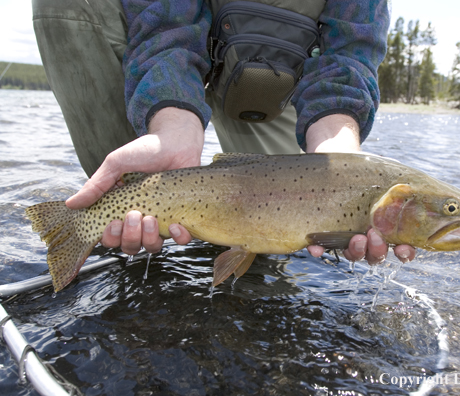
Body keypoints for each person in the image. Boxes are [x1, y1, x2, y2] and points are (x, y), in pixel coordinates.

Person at [32, 0, 416, 266]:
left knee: (276, 242)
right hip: (176, 51)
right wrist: (172, 121)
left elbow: (350, 49)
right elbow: (165, 21)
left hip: (277, 74)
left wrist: (339, 157)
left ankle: (131, 224)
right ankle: (108, 215)